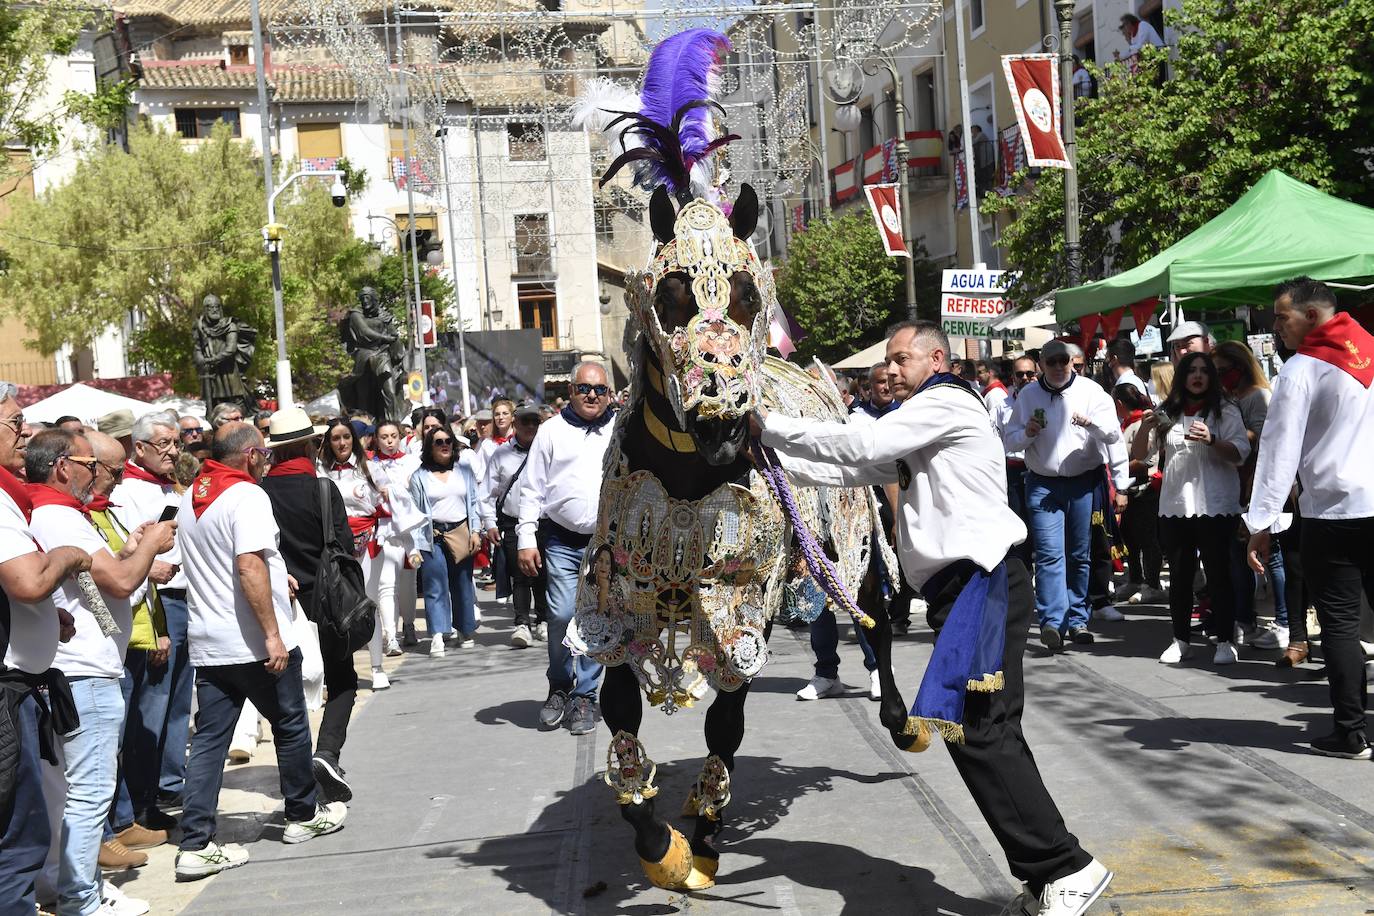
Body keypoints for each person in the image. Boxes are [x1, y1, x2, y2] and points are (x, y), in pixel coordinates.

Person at [756, 320, 1112, 916]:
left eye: (900, 359)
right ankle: (1048, 875)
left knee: (978, 730)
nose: (889, 371)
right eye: (887, 362)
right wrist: (766, 459)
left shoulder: (944, 400)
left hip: (983, 580)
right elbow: (851, 469)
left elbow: (863, 446)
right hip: (969, 588)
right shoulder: (923, 421)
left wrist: (765, 425)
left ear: (936, 358)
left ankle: (1066, 866)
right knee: (988, 730)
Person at [173, 422, 346, 881]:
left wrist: (276, 574)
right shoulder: (247, 496)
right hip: (252, 642)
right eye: (264, 455)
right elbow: (246, 565)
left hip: (211, 644)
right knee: (290, 725)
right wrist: (272, 634)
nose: (267, 461)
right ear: (250, 456)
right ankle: (302, 815)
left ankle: (195, 843)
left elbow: (239, 562)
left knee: (210, 742)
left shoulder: (196, 495)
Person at [27, 428, 176, 916]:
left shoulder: (60, 513)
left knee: (75, 794)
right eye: (92, 464)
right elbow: (117, 582)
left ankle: (72, 885)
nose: (98, 475)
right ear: (63, 466)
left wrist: (133, 551)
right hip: (84, 674)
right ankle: (81, 898)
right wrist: (150, 546)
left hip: (88, 667)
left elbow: (102, 596)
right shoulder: (58, 515)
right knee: (89, 795)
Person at [1245, 278, 1374, 759]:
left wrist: (1260, 522)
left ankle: (1351, 731)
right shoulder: (1372, 351)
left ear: (1313, 316)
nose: (1276, 327)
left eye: (1282, 318)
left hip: (1333, 512)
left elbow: (1279, 451)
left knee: (1339, 625)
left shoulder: (1302, 369)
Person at [0, 383, 94, 914]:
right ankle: (63, 894)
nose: (26, 434)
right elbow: (29, 581)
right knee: (22, 840)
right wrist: (67, 555)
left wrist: (42, 615)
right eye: (16, 425)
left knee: (36, 821)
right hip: (24, 691)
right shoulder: (27, 507)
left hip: (33, 685)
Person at [261, 408, 366, 804]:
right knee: (342, 680)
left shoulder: (259, 493)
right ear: (312, 444)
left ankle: (299, 769)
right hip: (325, 603)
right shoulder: (324, 490)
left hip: (279, 605)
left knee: (286, 694)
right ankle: (326, 753)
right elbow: (343, 549)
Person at [1004, 340, 1128, 650]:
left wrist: (1092, 425)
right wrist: (1027, 433)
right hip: (1042, 483)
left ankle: (1077, 619)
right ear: (1041, 366)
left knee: (1079, 553)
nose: (1059, 367)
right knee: (1048, 554)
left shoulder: (1090, 392)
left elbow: (1113, 435)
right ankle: (1052, 622)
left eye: (1064, 361)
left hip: (1083, 482)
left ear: (1073, 362)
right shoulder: (1028, 395)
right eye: (1052, 362)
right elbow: (1009, 439)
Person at [518, 361, 615, 737]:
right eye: (584, 389)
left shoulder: (619, 431)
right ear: (571, 391)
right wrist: (526, 539)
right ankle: (559, 684)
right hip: (560, 538)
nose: (592, 396)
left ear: (609, 394)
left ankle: (585, 695)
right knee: (560, 614)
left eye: (600, 390)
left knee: (596, 615)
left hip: (606, 543)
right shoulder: (550, 431)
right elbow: (531, 489)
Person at [1135, 352, 1248, 665]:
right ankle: (1180, 639)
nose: (1197, 376)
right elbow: (1140, 457)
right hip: (1176, 504)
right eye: (1191, 371)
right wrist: (1145, 428)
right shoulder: (1167, 411)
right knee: (1181, 577)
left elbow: (1240, 452)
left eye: (1204, 371)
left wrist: (1212, 440)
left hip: (1215, 504)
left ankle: (1225, 639)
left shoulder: (1224, 410)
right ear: (1182, 377)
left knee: (1218, 574)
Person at [110, 412, 190, 832]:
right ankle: (138, 802)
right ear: (138, 447)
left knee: (176, 706)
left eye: (176, 443)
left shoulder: (172, 486)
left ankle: (164, 783)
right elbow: (130, 550)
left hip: (182, 600)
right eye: (164, 444)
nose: (173, 451)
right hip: (155, 605)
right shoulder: (127, 492)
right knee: (148, 711)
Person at [318, 417, 402, 685]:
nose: (341, 443)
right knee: (334, 608)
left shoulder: (370, 468)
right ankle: (340, 673)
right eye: (335, 438)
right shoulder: (320, 471)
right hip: (333, 547)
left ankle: (377, 667)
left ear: (353, 439)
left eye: (345, 437)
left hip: (366, 544)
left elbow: (389, 504)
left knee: (368, 603)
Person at [1212, 339, 1285, 647]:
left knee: (1272, 554)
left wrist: (1231, 437)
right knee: (1238, 554)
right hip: (1235, 480)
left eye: (1224, 370)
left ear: (1241, 367)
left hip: (1258, 480)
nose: (1220, 377)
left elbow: (1265, 436)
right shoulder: (1230, 396)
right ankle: (1244, 618)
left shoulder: (1258, 395)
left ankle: (1283, 621)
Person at [409, 421, 481, 657]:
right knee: (434, 585)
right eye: (438, 442)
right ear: (429, 447)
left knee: (462, 583)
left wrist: (475, 531)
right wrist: (415, 545)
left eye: (448, 441)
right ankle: (438, 634)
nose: (444, 445)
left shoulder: (465, 471)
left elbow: (474, 502)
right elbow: (416, 512)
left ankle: (464, 628)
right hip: (432, 536)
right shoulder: (420, 477)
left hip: (461, 531)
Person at [481, 404, 547, 648]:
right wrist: (489, 523)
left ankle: (544, 619)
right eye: (525, 421)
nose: (530, 426)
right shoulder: (501, 454)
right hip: (512, 522)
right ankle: (521, 622)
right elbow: (487, 492)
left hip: (543, 522)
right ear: (515, 423)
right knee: (520, 574)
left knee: (543, 573)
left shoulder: (547, 451)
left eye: (535, 422)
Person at [370, 421, 422, 646]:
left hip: (410, 532)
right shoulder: (369, 465)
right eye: (384, 437)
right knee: (386, 583)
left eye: (393, 436)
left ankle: (409, 625)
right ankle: (391, 635)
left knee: (408, 583)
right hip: (383, 530)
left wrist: (392, 491)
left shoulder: (412, 461)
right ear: (377, 439)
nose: (389, 441)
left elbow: (417, 493)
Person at [1112, 384, 1166, 606]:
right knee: (1130, 538)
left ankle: (1151, 584)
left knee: (1147, 539)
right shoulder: (1126, 425)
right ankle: (1135, 578)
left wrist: (1117, 468)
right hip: (1129, 490)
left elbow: (1148, 460)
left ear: (1120, 404)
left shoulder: (1143, 424)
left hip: (1146, 490)